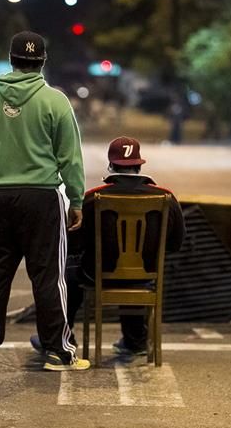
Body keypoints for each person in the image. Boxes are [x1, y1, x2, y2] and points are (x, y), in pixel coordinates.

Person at [0, 31, 90, 372]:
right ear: (42, 62)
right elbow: (70, 158)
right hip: (41, 198)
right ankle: (56, 350)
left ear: (11, 59)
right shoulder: (56, 101)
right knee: (48, 277)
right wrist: (76, 199)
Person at [31, 136, 186, 356]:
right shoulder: (166, 197)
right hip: (146, 274)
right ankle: (135, 340)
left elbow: (73, 245)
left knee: (66, 271)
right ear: (139, 165)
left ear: (111, 165)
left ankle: (61, 336)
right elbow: (176, 243)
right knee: (135, 271)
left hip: (98, 274)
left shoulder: (93, 198)